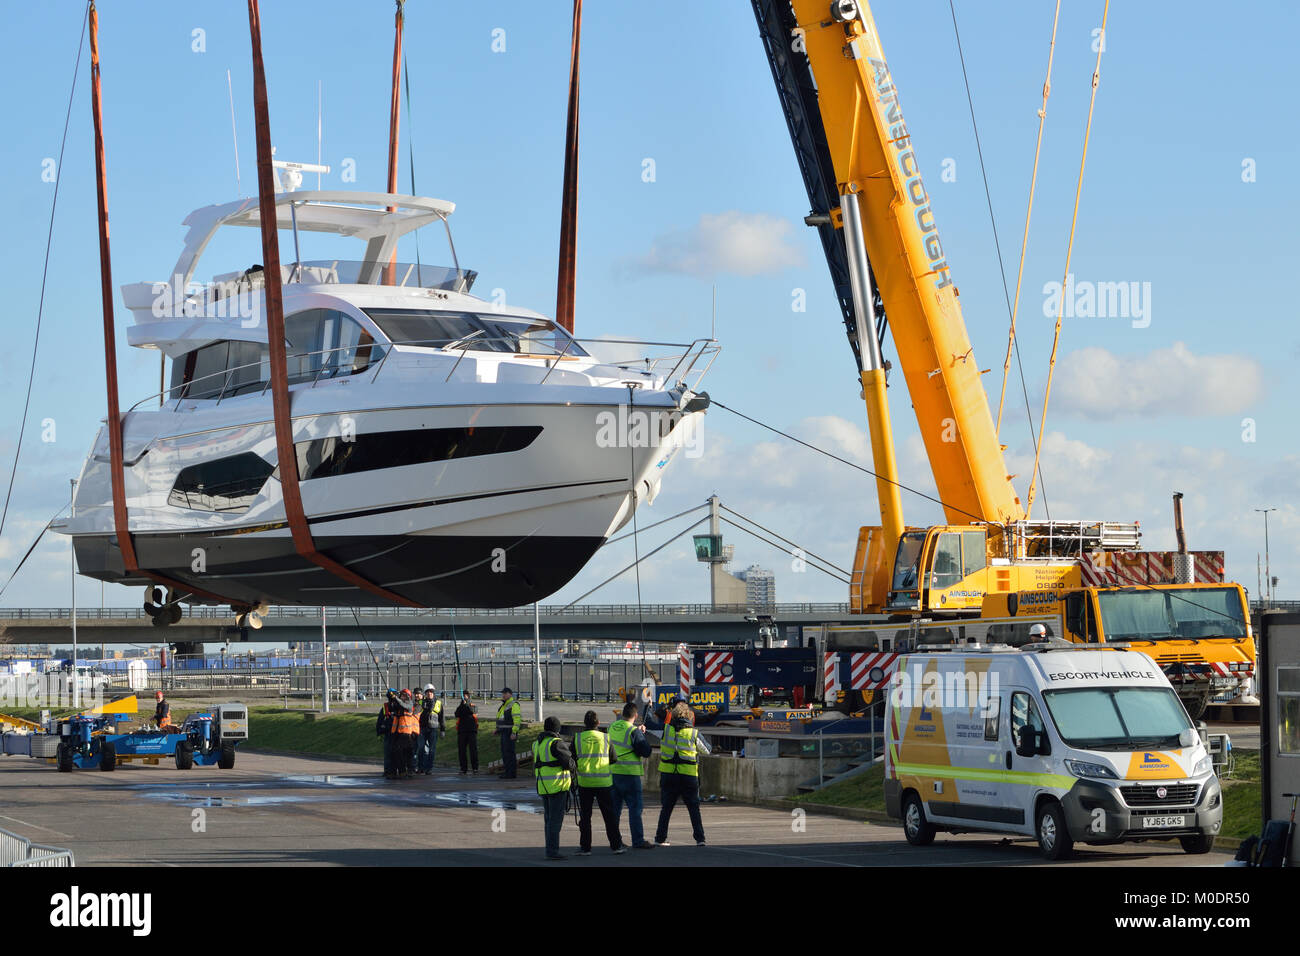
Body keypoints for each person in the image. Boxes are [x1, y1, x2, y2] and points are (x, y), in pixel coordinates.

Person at [654, 701, 709, 847]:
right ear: (689, 716)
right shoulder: (693, 733)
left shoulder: (665, 730)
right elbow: (707, 750)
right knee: (693, 808)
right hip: (688, 775)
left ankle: (660, 838)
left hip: (668, 774)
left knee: (666, 808)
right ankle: (700, 839)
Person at [573, 710, 626, 856]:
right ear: (598, 723)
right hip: (604, 783)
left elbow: (572, 759)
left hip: (585, 783)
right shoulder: (606, 738)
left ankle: (585, 848)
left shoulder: (577, 738)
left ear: (585, 723)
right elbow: (614, 758)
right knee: (609, 816)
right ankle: (616, 846)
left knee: (585, 817)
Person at [609, 702, 655, 849]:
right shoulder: (633, 731)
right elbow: (646, 751)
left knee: (615, 810)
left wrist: (637, 731)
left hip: (613, 773)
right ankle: (638, 840)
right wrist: (640, 733)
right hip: (629, 775)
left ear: (622, 714)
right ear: (635, 716)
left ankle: (615, 841)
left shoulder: (612, 727)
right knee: (635, 809)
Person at [532, 716, 576, 861]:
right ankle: (552, 851)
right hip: (557, 786)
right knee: (555, 821)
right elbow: (569, 763)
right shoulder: (556, 743)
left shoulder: (537, 743)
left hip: (543, 785)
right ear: (557, 729)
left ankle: (549, 848)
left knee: (549, 820)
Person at [388, 689, 416, 779]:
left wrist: (396, 698)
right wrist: (392, 698)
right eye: (401, 695)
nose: (402, 696)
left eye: (404, 695)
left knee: (403, 752)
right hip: (396, 732)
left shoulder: (409, 704)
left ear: (408, 696)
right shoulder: (398, 703)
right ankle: (394, 771)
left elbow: (403, 705)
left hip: (406, 733)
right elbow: (392, 707)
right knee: (394, 752)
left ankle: (404, 771)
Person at [418, 684, 445, 774]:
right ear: (425, 693)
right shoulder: (421, 702)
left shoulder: (438, 703)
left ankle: (429, 768)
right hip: (422, 728)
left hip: (433, 729)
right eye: (428, 692)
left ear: (433, 693)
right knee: (421, 748)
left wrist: (442, 730)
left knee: (432, 750)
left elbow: (442, 718)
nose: (429, 693)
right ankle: (420, 767)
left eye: (431, 692)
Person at [495, 687, 521, 779]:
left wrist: (514, 732)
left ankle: (511, 773)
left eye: (505, 693)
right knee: (505, 753)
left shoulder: (513, 705)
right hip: (504, 732)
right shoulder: (504, 705)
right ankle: (507, 772)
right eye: (503, 693)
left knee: (509, 753)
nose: (503, 695)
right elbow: (501, 719)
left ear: (510, 694)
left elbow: (517, 720)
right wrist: (497, 729)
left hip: (510, 733)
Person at [455, 691, 479, 775]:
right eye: (463, 695)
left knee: (473, 750)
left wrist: (466, 705)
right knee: (462, 751)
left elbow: (471, 711)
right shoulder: (460, 706)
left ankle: (475, 768)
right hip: (462, 731)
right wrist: (462, 705)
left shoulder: (473, 705)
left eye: (466, 695)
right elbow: (457, 714)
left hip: (472, 730)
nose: (464, 697)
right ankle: (463, 768)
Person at [377, 690, 398, 778]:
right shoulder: (385, 706)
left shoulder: (399, 705)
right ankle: (387, 771)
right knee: (388, 753)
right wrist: (379, 731)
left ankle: (398, 771)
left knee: (398, 753)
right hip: (388, 732)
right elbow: (380, 720)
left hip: (398, 732)